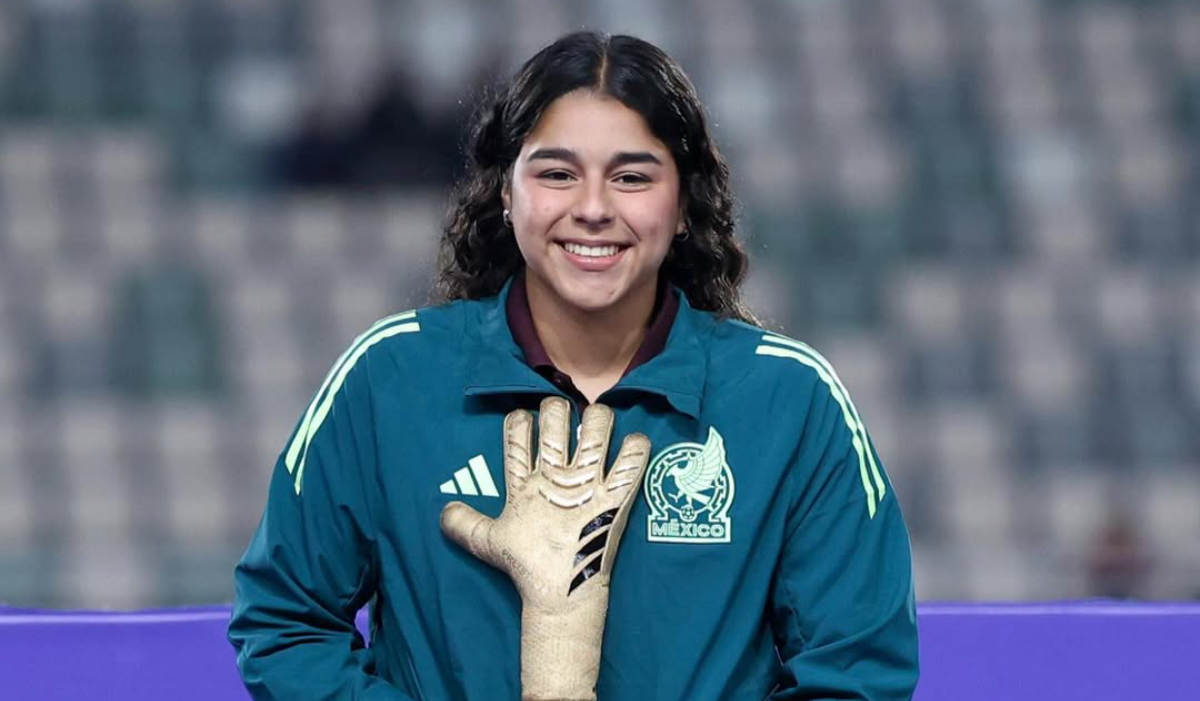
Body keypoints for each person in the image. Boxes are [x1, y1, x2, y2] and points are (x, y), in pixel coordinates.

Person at [229, 31, 919, 700]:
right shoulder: (389, 379)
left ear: (684, 203)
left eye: (632, 177)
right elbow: (284, 623)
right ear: (506, 192)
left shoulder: (789, 400)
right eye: (557, 174)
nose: (592, 209)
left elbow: (858, 672)